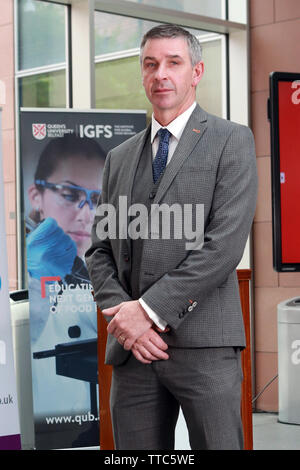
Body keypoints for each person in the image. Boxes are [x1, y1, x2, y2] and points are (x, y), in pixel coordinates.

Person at [85, 24, 258, 450]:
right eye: (150, 64)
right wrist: (126, 322)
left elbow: (222, 249)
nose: (160, 74)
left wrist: (147, 312)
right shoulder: (119, 158)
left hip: (205, 345)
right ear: (142, 74)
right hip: (133, 353)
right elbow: (100, 249)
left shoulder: (231, 140)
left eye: (173, 63)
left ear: (196, 71)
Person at [26, 135, 105, 419]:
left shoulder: (112, 262)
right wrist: (36, 281)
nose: (85, 214)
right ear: (36, 196)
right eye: (70, 195)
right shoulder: (26, 270)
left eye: (96, 199)